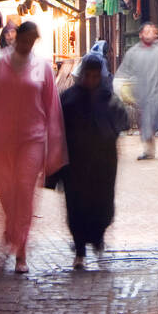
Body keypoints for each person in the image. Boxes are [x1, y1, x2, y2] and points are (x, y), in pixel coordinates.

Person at [0, 21, 65, 274]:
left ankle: (21, 248)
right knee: (7, 191)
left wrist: (55, 146)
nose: (28, 44)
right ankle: (12, 228)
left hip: (33, 138)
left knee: (25, 189)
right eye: (25, 38)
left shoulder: (42, 66)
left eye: (33, 40)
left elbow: (52, 107)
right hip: (2, 138)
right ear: (17, 37)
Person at [55, 53, 126, 269]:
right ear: (83, 75)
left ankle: (97, 238)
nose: (92, 80)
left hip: (103, 164)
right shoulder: (69, 98)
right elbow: (58, 129)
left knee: (102, 205)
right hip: (76, 165)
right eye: (89, 75)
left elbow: (121, 122)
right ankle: (79, 250)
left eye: (96, 76)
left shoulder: (108, 99)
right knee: (76, 207)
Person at [114, 22, 158, 160]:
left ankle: (149, 149)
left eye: (152, 31)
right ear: (140, 34)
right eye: (146, 32)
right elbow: (124, 72)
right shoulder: (133, 52)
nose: (149, 34)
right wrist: (120, 87)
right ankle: (149, 149)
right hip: (141, 92)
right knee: (144, 121)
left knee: (151, 120)